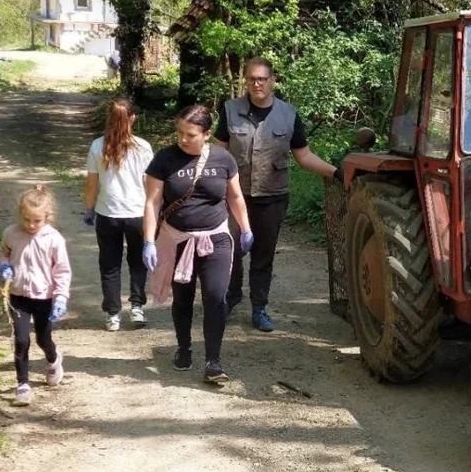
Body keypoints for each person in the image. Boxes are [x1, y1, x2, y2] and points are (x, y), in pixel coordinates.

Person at [214, 57, 341, 332]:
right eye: (251, 79)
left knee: (263, 254)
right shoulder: (230, 110)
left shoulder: (289, 114)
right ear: (245, 81)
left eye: (262, 79)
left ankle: (259, 307)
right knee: (230, 250)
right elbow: (218, 152)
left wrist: (336, 172)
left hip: (272, 197)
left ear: (272, 81)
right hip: (235, 196)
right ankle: (229, 299)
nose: (256, 83)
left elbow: (304, 156)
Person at [142, 105, 253, 384]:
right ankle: (184, 347)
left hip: (216, 237)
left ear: (207, 134)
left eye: (190, 134)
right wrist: (148, 241)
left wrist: (246, 229)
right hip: (178, 239)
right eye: (179, 132)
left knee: (216, 297)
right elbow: (152, 202)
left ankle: (213, 362)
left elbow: (235, 197)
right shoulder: (164, 160)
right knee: (183, 297)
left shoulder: (223, 159)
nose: (182, 139)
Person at [84, 98, 154, 331]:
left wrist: (89, 208)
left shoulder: (97, 146)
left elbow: (92, 184)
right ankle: (136, 308)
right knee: (137, 262)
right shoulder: (143, 147)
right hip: (137, 213)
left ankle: (113, 314)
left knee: (110, 264)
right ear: (133, 118)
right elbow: (149, 184)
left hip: (107, 213)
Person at [0, 185, 71, 407]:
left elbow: (62, 270)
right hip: (18, 296)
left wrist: (60, 298)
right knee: (21, 340)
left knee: (42, 339)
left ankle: (53, 359)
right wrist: (4, 266)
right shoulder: (11, 233)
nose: (30, 225)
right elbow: (4, 252)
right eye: (26, 219)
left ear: (47, 217)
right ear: (21, 214)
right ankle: (23, 385)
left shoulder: (53, 239)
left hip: (44, 299)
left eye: (36, 221)